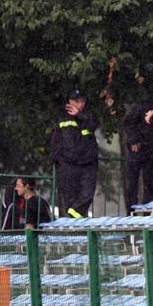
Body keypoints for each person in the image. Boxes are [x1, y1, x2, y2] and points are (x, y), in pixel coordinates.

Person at [50, 89, 99, 219]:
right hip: (68, 165)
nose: (81, 104)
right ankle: (74, 224)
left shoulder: (88, 117)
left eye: (83, 101)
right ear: (70, 102)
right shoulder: (62, 119)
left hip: (88, 164)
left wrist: (80, 115)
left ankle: (75, 216)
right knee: (70, 197)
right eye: (77, 101)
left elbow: (93, 125)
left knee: (87, 194)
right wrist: (59, 162)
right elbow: (56, 142)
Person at [123, 100, 153, 214]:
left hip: (151, 150)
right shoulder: (143, 106)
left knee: (149, 184)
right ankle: (131, 213)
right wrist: (134, 140)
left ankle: (148, 213)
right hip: (137, 149)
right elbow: (128, 122)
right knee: (132, 183)